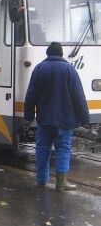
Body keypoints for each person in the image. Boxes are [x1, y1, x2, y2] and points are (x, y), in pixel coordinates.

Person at [24, 42, 90, 191]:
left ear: (48, 53)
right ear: (61, 54)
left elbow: (31, 95)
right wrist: (85, 119)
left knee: (42, 148)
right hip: (65, 120)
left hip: (44, 119)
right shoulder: (69, 69)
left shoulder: (39, 68)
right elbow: (78, 96)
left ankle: (41, 179)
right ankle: (61, 183)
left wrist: (28, 116)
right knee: (63, 149)